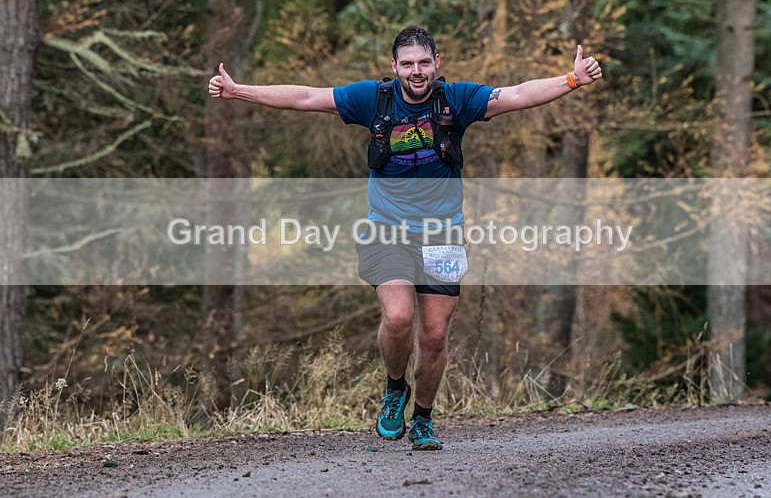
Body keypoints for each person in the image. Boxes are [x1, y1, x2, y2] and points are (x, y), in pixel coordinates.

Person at [208, 26, 602, 450]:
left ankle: (424, 419)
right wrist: (238, 91)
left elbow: (517, 95)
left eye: (424, 63)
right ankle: (395, 388)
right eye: (408, 64)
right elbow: (307, 97)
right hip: (387, 229)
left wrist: (572, 79)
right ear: (394, 66)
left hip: (443, 234)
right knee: (398, 317)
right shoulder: (374, 99)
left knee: (434, 335)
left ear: (437, 63)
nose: (417, 71)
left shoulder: (457, 99)